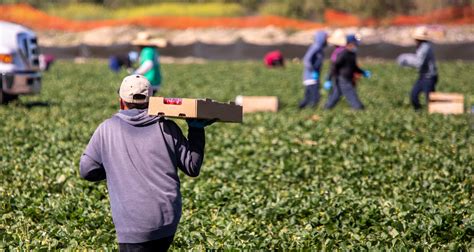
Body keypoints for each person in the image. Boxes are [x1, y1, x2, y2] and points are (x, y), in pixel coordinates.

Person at [79, 75, 214, 251]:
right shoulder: (168, 127)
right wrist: (196, 130)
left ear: (121, 101)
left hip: (133, 226)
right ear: (152, 101)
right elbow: (192, 167)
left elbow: (86, 170)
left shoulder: (107, 128)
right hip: (167, 221)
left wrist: (114, 167)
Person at [324, 34, 371, 110]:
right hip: (343, 79)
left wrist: (363, 72)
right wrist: (328, 79)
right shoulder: (344, 54)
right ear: (349, 44)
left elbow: (354, 67)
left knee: (335, 95)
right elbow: (334, 66)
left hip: (347, 78)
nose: (356, 46)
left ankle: (326, 109)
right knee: (351, 95)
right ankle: (359, 109)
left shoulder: (352, 54)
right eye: (355, 44)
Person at [398, 26, 438, 111]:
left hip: (429, 77)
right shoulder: (422, 47)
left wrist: (405, 59)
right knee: (414, 95)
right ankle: (419, 112)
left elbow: (418, 62)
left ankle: (434, 114)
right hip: (423, 76)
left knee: (430, 99)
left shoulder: (424, 47)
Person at [298, 31, 328, 109]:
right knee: (315, 97)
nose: (327, 40)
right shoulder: (316, 47)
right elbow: (306, 60)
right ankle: (310, 111)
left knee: (308, 97)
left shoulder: (320, 48)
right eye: (326, 38)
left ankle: (300, 108)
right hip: (310, 77)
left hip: (314, 77)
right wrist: (312, 71)